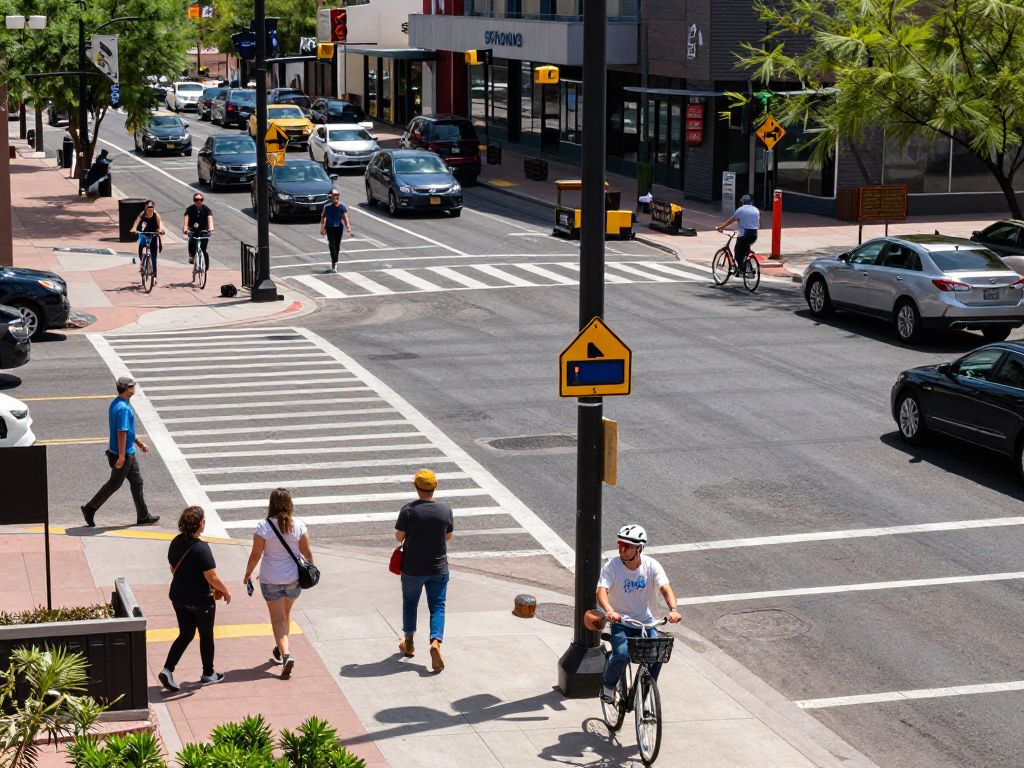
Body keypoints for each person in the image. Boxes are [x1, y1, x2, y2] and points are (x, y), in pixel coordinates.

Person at [596, 524, 681, 704]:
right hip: (621, 621)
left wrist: (673, 610)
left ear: (639, 548)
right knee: (621, 654)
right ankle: (608, 686)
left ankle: (645, 688)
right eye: (620, 544)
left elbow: (665, 588)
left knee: (658, 654)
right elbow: (601, 591)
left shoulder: (651, 565)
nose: (622, 549)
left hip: (645, 620)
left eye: (627, 546)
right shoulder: (613, 566)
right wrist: (610, 611)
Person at [159, 506, 231, 691]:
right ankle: (208, 674)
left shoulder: (175, 542)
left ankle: (167, 669)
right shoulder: (202, 548)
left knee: (186, 633)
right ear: (200, 524)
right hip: (201, 600)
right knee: (206, 636)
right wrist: (226, 590)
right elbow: (211, 576)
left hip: (178, 597)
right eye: (204, 521)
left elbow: (172, 566)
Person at [243, 488, 312, 680]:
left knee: (278, 620)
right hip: (293, 580)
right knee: (285, 616)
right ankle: (282, 648)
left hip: (271, 579)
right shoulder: (298, 524)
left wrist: (248, 573)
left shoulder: (264, 527)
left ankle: (286, 655)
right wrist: (311, 568)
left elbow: (256, 554)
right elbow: (307, 552)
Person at [81, 376, 160, 528]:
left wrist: (138, 443)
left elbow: (127, 430)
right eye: (132, 387)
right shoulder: (123, 408)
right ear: (127, 390)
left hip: (126, 451)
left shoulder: (118, 402)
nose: (134, 389)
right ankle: (90, 509)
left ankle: (143, 515)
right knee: (114, 484)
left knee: (137, 482)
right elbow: (121, 432)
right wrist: (123, 456)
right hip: (123, 454)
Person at [394, 468, 453, 672]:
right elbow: (448, 536)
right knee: (437, 605)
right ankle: (435, 642)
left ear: (417, 488)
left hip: (412, 568)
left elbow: (399, 537)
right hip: (438, 567)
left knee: (410, 604)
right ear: (434, 487)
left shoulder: (408, 510)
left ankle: (409, 642)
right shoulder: (445, 510)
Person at [716, 193, 760, 275]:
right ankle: (748, 264)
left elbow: (731, 220)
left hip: (744, 235)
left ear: (743, 202)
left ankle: (741, 269)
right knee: (745, 248)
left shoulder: (740, 210)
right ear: (751, 202)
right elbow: (756, 223)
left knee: (737, 253)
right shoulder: (756, 210)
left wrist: (721, 227)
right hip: (754, 234)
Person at [319, 189, 351, 273]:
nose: (336, 196)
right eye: (334, 195)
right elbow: (323, 217)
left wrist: (348, 226)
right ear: (330, 197)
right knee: (332, 245)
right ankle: (334, 261)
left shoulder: (342, 207)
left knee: (337, 246)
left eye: (338, 195)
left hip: (339, 229)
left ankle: (334, 262)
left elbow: (345, 217)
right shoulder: (327, 207)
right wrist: (322, 228)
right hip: (330, 229)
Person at [132, 200, 164, 282]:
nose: (149, 209)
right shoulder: (142, 214)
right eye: (148, 207)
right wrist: (134, 228)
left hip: (153, 235)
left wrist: (160, 230)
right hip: (144, 234)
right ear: (145, 207)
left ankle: (154, 277)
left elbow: (160, 224)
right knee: (140, 249)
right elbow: (137, 221)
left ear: (154, 207)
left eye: (151, 207)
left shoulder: (156, 215)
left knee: (153, 258)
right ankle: (142, 264)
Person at [183, 193, 215, 270]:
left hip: (204, 231)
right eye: (196, 200)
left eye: (200, 200)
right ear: (194, 201)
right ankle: (192, 256)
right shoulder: (189, 209)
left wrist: (211, 229)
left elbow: (210, 218)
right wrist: (185, 229)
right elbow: (186, 221)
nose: (199, 202)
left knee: (204, 250)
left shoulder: (206, 209)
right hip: (193, 231)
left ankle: (205, 268)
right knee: (191, 241)